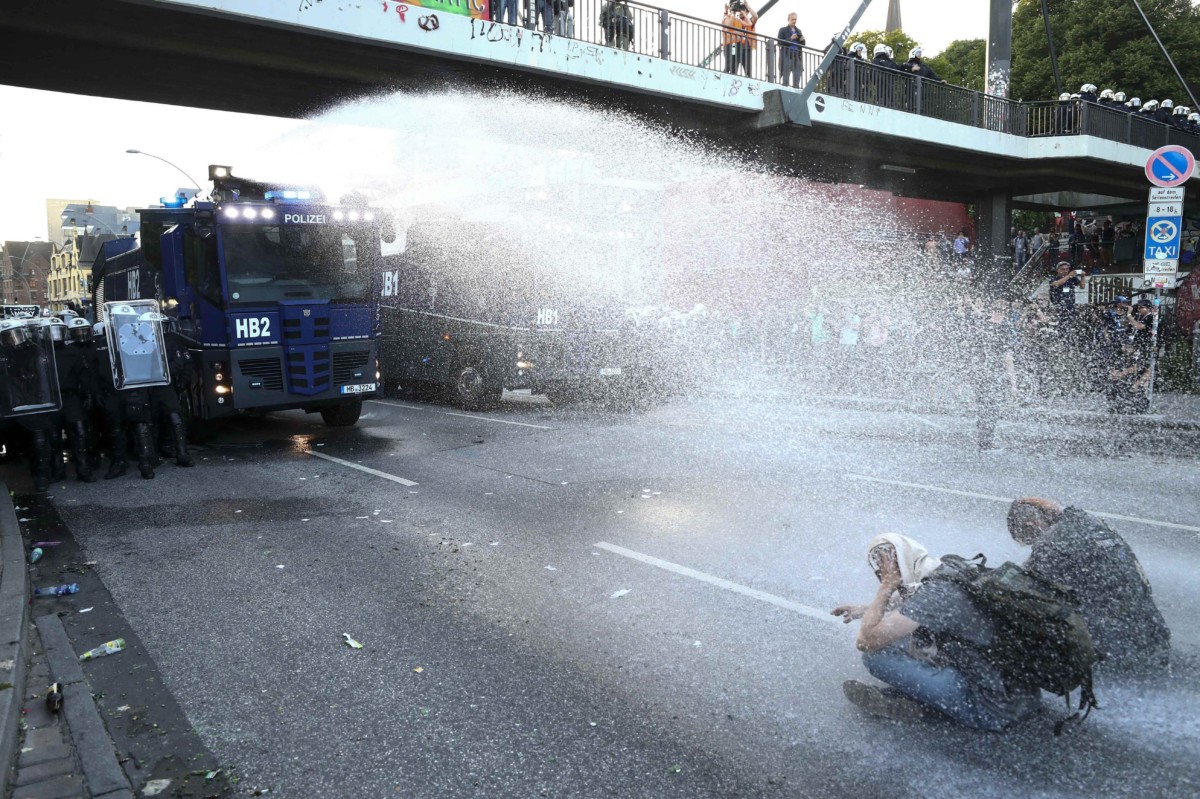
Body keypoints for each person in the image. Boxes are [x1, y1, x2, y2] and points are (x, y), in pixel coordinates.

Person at [833, 534, 1042, 729]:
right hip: (1025, 696)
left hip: (991, 710)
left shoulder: (933, 595)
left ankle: (924, 709)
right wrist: (865, 609)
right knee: (907, 638)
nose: (882, 572)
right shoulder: (948, 569)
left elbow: (867, 641)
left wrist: (887, 585)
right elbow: (913, 598)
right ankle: (932, 694)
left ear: (899, 559)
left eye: (884, 564)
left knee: (876, 656)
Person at [1006, 499, 1171, 672]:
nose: (1033, 543)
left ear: (1030, 524)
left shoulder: (1052, 543)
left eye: (1029, 537)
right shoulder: (1086, 521)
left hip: (1120, 648)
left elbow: (1029, 586)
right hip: (1153, 631)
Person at [777, 12, 805, 88]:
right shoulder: (783, 30)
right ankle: (785, 86)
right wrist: (791, 38)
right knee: (786, 73)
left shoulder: (799, 31)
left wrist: (803, 40)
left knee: (797, 74)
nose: (794, 21)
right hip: (787, 54)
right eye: (792, 19)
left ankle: (796, 87)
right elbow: (779, 42)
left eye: (795, 19)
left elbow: (803, 45)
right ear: (788, 19)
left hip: (797, 55)